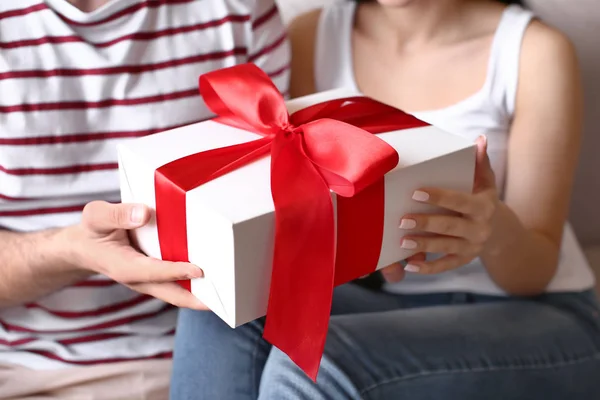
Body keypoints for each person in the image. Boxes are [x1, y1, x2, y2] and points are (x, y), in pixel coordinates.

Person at [170, 0, 600, 399]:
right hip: (377, 299)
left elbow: (535, 273)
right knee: (219, 310)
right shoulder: (314, 35)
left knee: (316, 367)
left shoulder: (533, 51)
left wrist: (492, 229)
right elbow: (301, 196)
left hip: (530, 315)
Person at [0, 0, 289, 398]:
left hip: (206, 347)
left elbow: (283, 193)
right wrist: (71, 251)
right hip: (25, 363)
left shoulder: (238, 10)